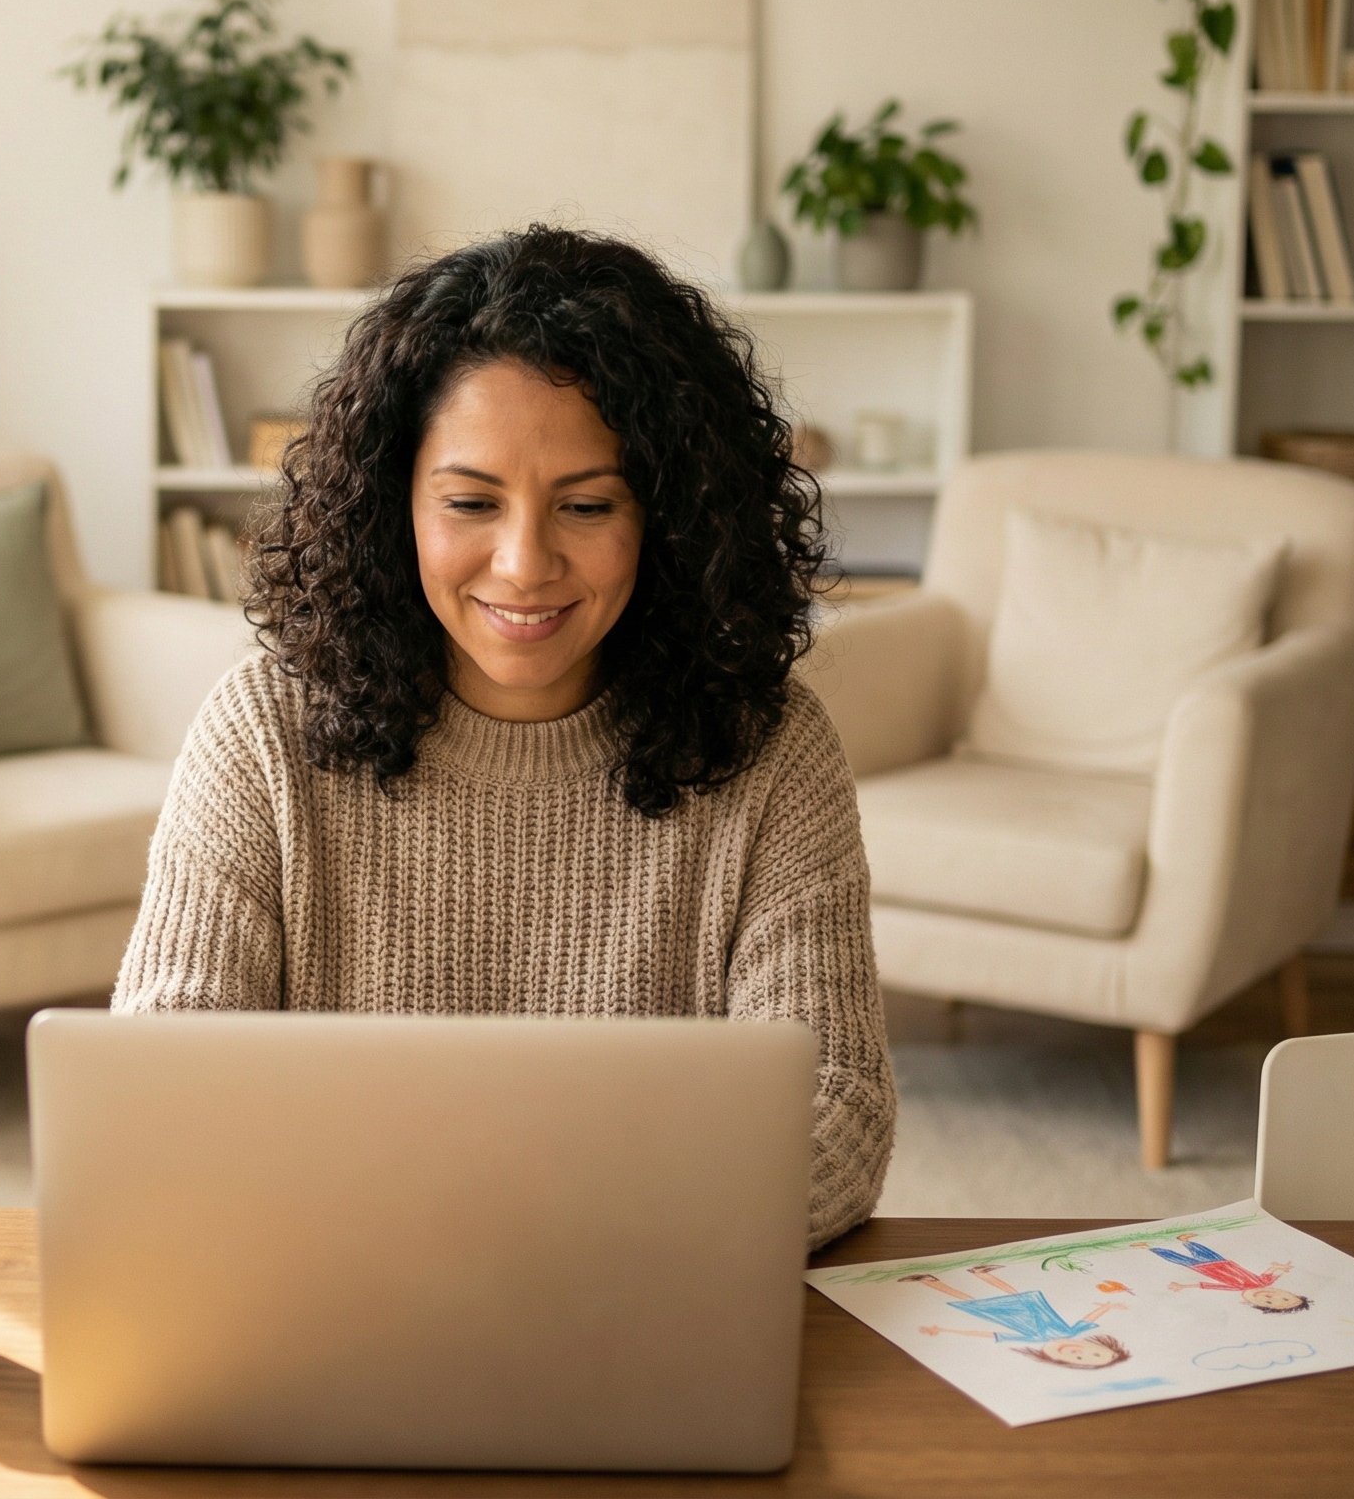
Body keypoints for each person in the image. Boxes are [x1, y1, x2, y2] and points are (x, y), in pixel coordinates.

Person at [112, 226, 896, 1248]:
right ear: (393, 508)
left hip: (639, 1309)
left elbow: (834, 1108)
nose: (524, 565)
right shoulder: (261, 732)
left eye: (584, 504)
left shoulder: (772, 748)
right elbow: (158, 1086)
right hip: (333, 1303)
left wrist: (560, 1241)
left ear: (668, 518)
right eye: (471, 503)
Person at [900, 1267, 1133, 1369]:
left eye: (1081, 1359)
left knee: (971, 1302)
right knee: (1014, 1293)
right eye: (1092, 1352)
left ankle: (929, 1281)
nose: (1078, 1352)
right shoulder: (1071, 1333)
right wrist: (1108, 1306)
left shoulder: (1033, 1338)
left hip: (1005, 1315)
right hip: (1033, 1306)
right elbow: (1088, 1317)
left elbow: (990, 1334)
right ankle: (982, 1273)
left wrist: (944, 1330)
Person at [1134, 1234, 1310, 1313]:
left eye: (1269, 1302)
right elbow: (1270, 1269)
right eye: (1284, 1297)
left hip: (1204, 1269)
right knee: (1202, 1251)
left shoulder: (1236, 1288)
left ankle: (1149, 1247)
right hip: (1223, 1262)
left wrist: (1182, 1286)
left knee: (1176, 1258)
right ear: (1286, 1292)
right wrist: (1281, 1267)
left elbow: (1208, 1286)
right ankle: (1186, 1241)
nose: (1270, 1296)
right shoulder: (1263, 1282)